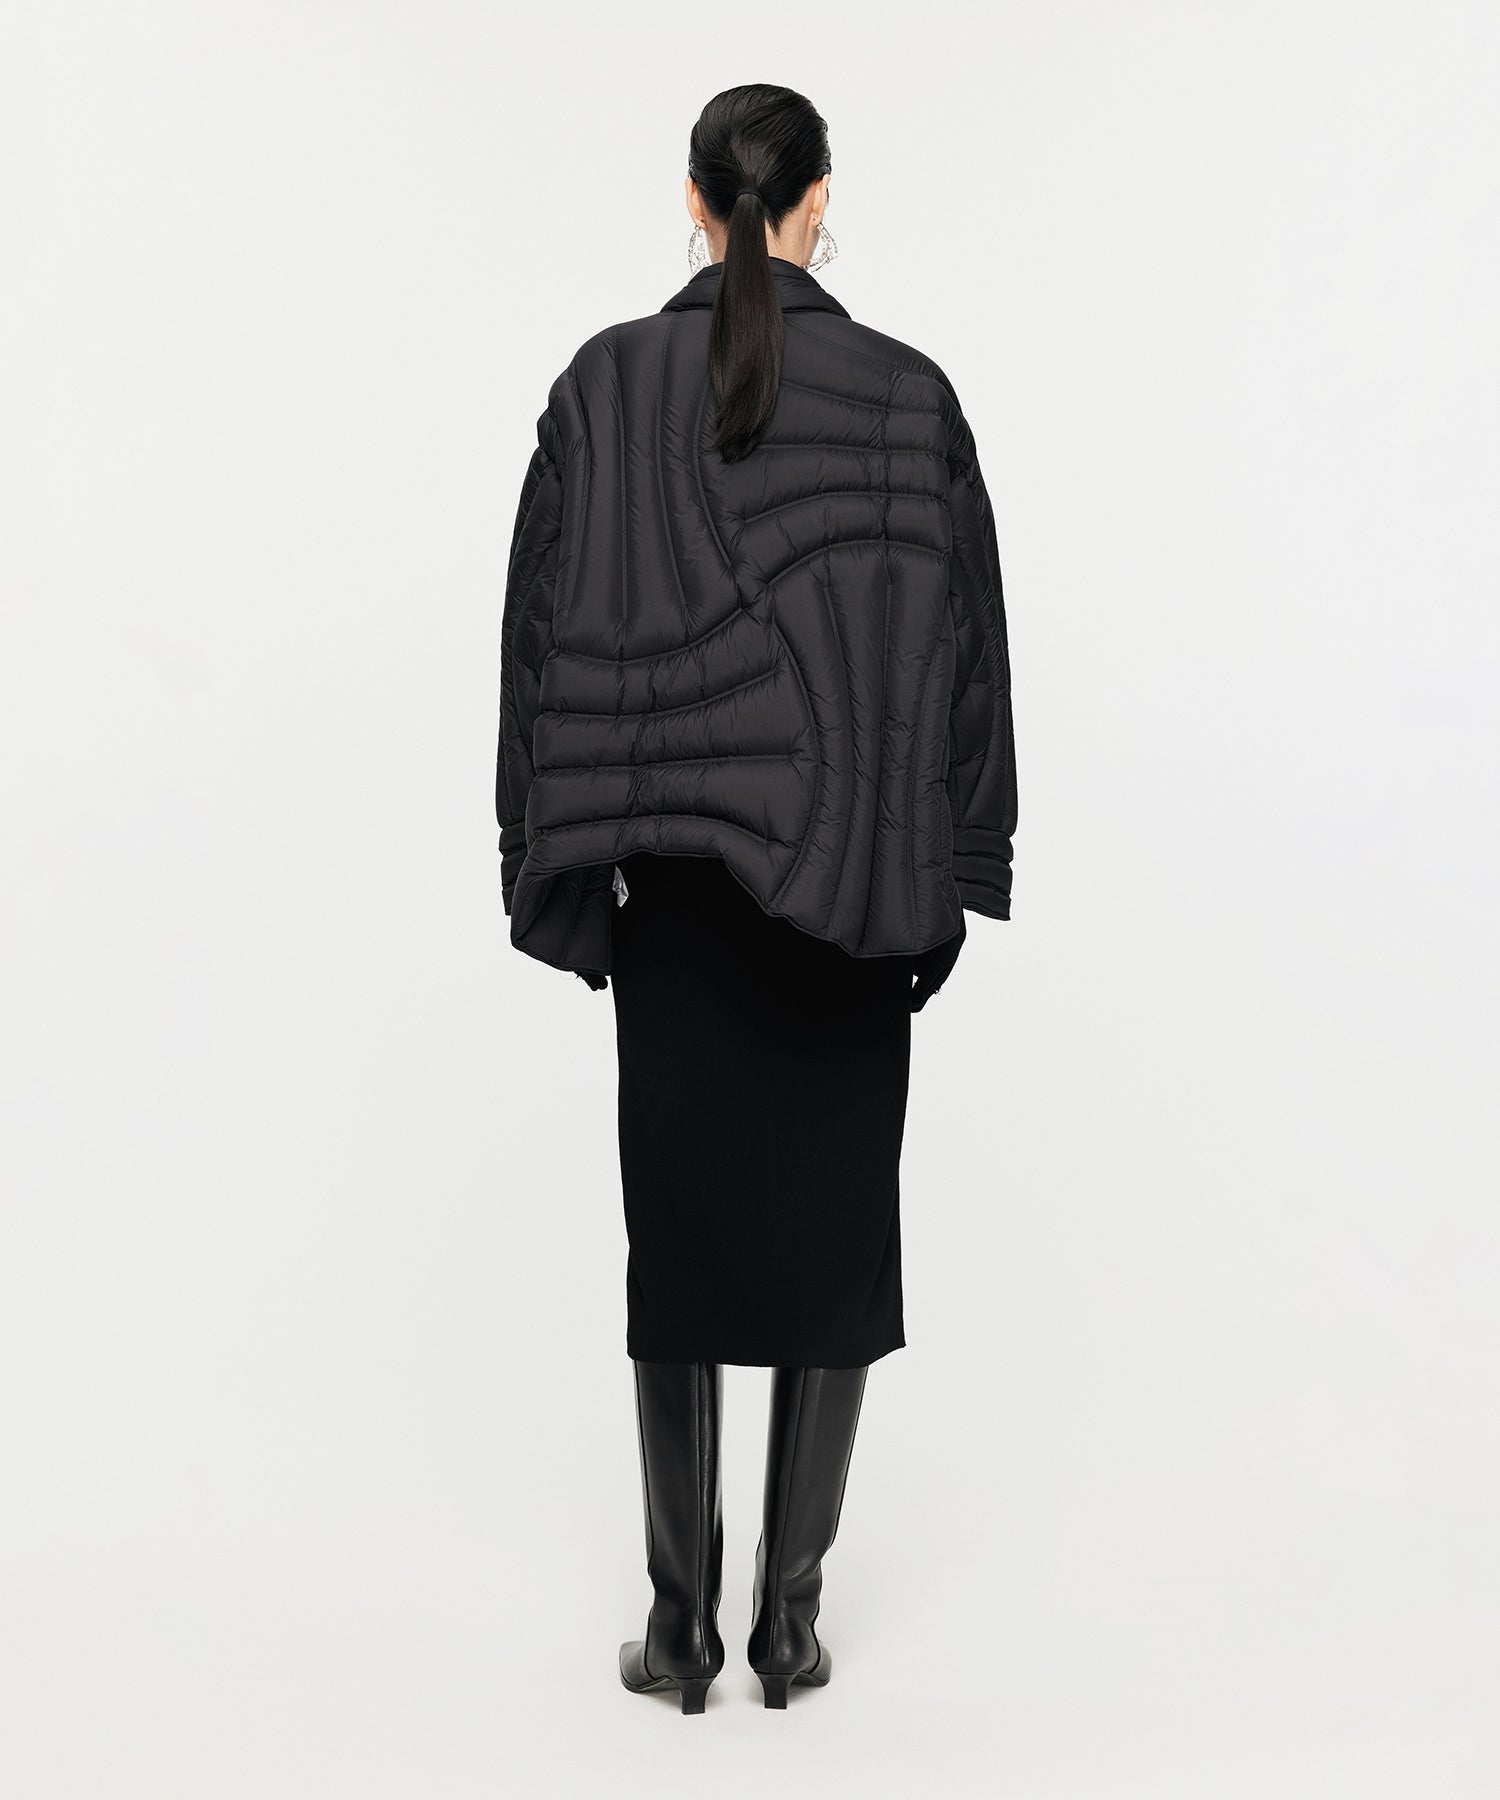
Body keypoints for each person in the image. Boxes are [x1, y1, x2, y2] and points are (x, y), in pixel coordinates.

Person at [495, 83, 1017, 1712]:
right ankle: (790, 1626)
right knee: (833, 1250)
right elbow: (973, 655)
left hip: (677, 903)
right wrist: (958, 867)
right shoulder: (911, 397)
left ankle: (680, 1633)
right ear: (818, 201)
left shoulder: (603, 386)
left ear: (692, 203)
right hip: (860, 884)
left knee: (683, 1250)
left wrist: (547, 857)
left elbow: (534, 646)